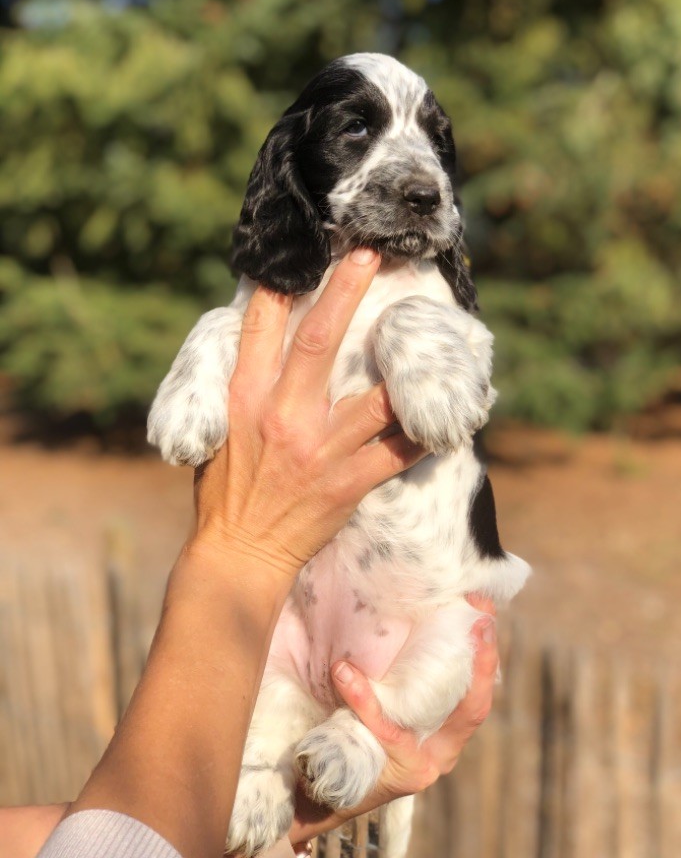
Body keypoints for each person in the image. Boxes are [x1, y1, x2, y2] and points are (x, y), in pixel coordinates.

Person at [1, 249, 499, 858]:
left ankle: (355, 744)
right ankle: (281, 761)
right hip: (291, 641)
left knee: (447, 642)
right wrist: (244, 549)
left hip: (400, 627)